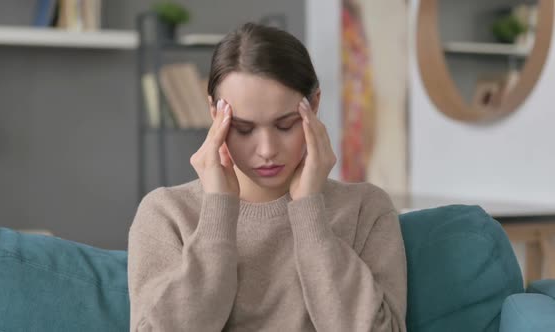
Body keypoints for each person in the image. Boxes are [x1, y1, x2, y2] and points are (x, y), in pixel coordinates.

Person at [128, 22, 407, 331]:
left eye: (285, 125)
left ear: (313, 105)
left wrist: (310, 212)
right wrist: (218, 211)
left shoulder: (366, 209)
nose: (267, 150)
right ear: (214, 114)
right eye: (243, 129)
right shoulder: (166, 213)